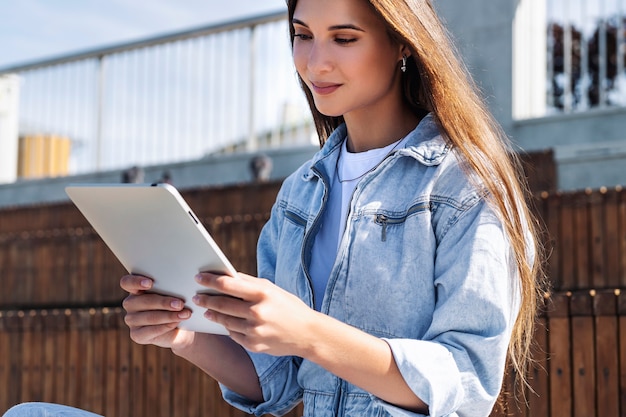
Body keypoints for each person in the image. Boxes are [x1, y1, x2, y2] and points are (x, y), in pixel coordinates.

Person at [4, 0, 545, 416]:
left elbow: (465, 379)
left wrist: (308, 331)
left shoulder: (463, 185)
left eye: (344, 38)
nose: (315, 61)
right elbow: (276, 382)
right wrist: (185, 334)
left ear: (402, 42)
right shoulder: (300, 195)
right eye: (302, 35)